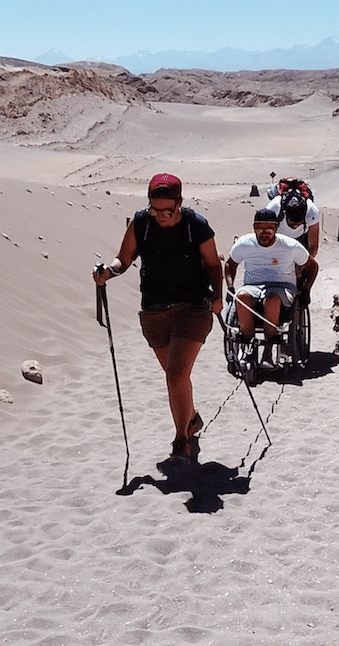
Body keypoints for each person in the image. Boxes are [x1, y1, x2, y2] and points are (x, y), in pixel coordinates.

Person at [93, 173, 223, 462]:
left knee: (176, 374)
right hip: (154, 312)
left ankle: (181, 440)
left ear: (180, 202)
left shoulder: (196, 226)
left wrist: (218, 295)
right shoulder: (141, 224)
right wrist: (108, 272)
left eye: (168, 210)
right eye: (155, 209)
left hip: (193, 308)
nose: (161, 216)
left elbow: (214, 264)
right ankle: (191, 419)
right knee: (176, 377)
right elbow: (123, 260)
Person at [224, 208, 318, 367]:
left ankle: (268, 351)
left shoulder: (290, 246)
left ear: (275, 229)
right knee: (241, 297)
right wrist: (231, 287)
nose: (264, 233)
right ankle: (247, 343)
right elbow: (230, 264)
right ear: (254, 228)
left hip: (283, 286)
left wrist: (306, 290)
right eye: (260, 229)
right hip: (253, 286)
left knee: (272, 299)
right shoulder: (245, 244)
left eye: (269, 230)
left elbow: (312, 266)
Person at [264, 190, 321, 258]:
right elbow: (263, 237)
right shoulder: (273, 208)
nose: (296, 226)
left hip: (301, 238)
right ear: (285, 214)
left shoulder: (312, 212)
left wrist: (305, 264)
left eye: (299, 223)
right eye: (292, 223)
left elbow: (313, 247)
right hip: (278, 238)